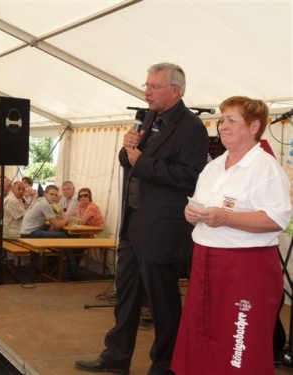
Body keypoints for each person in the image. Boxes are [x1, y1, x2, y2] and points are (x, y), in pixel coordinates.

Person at [75, 62, 209, 375]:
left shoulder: (192, 127)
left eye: (153, 86)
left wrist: (142, 161)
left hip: (162, 228)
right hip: (134, 222)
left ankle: (165, 364)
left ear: (174, 90)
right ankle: (116, 357)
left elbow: (190, 177)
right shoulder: (150, 118)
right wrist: (127, 150)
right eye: (146, 85)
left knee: (162, 301)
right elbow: (131, 162)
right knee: (126, 293)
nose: (145, 91)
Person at [171, 96, 292, 375]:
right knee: (203, 335)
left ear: (254, 127)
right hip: (205, 262)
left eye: (231, 120)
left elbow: (276, 219)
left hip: (245, 268)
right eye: (222, 120)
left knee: (239, 342)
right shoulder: (213, 166)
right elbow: (200, 204)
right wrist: (191, 213)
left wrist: (227, 218)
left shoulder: (265, 167)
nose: (222, 126)